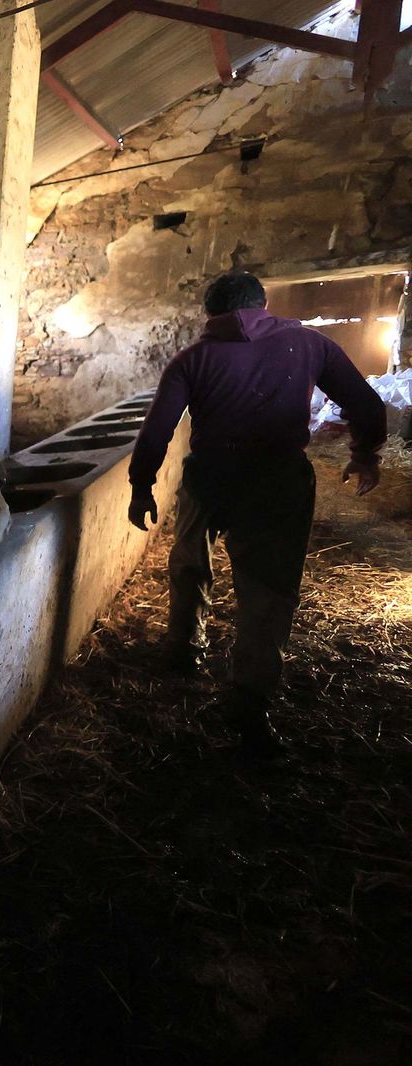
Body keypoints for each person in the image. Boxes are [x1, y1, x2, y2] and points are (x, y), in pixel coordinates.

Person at [127, 270, 386, 756]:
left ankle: (183, 649)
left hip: (211, 476)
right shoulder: (310, 345)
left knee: (188, 560)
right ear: (263, 305)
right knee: (268, 589)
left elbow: (157, 429)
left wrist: (142, 486)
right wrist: (365, 453)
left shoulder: (193, 358)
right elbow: (367, 405)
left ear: (211, 314)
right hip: (277, 480)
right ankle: (248, 702)